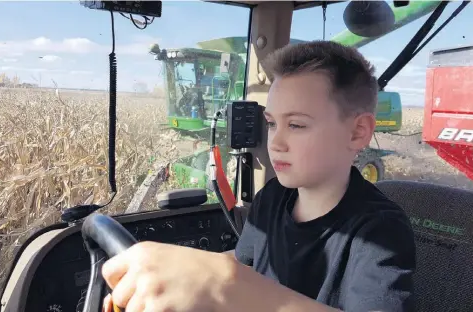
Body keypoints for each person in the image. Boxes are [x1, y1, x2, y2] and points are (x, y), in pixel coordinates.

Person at [101, 40, 416, 312]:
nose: (275, 143)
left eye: (296, 125)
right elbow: (241, 262)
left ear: (357, 132)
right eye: (272, 124)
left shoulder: (379, 230)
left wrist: (228, 285)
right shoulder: (273, 197)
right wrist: (179, 276)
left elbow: (238, 280)